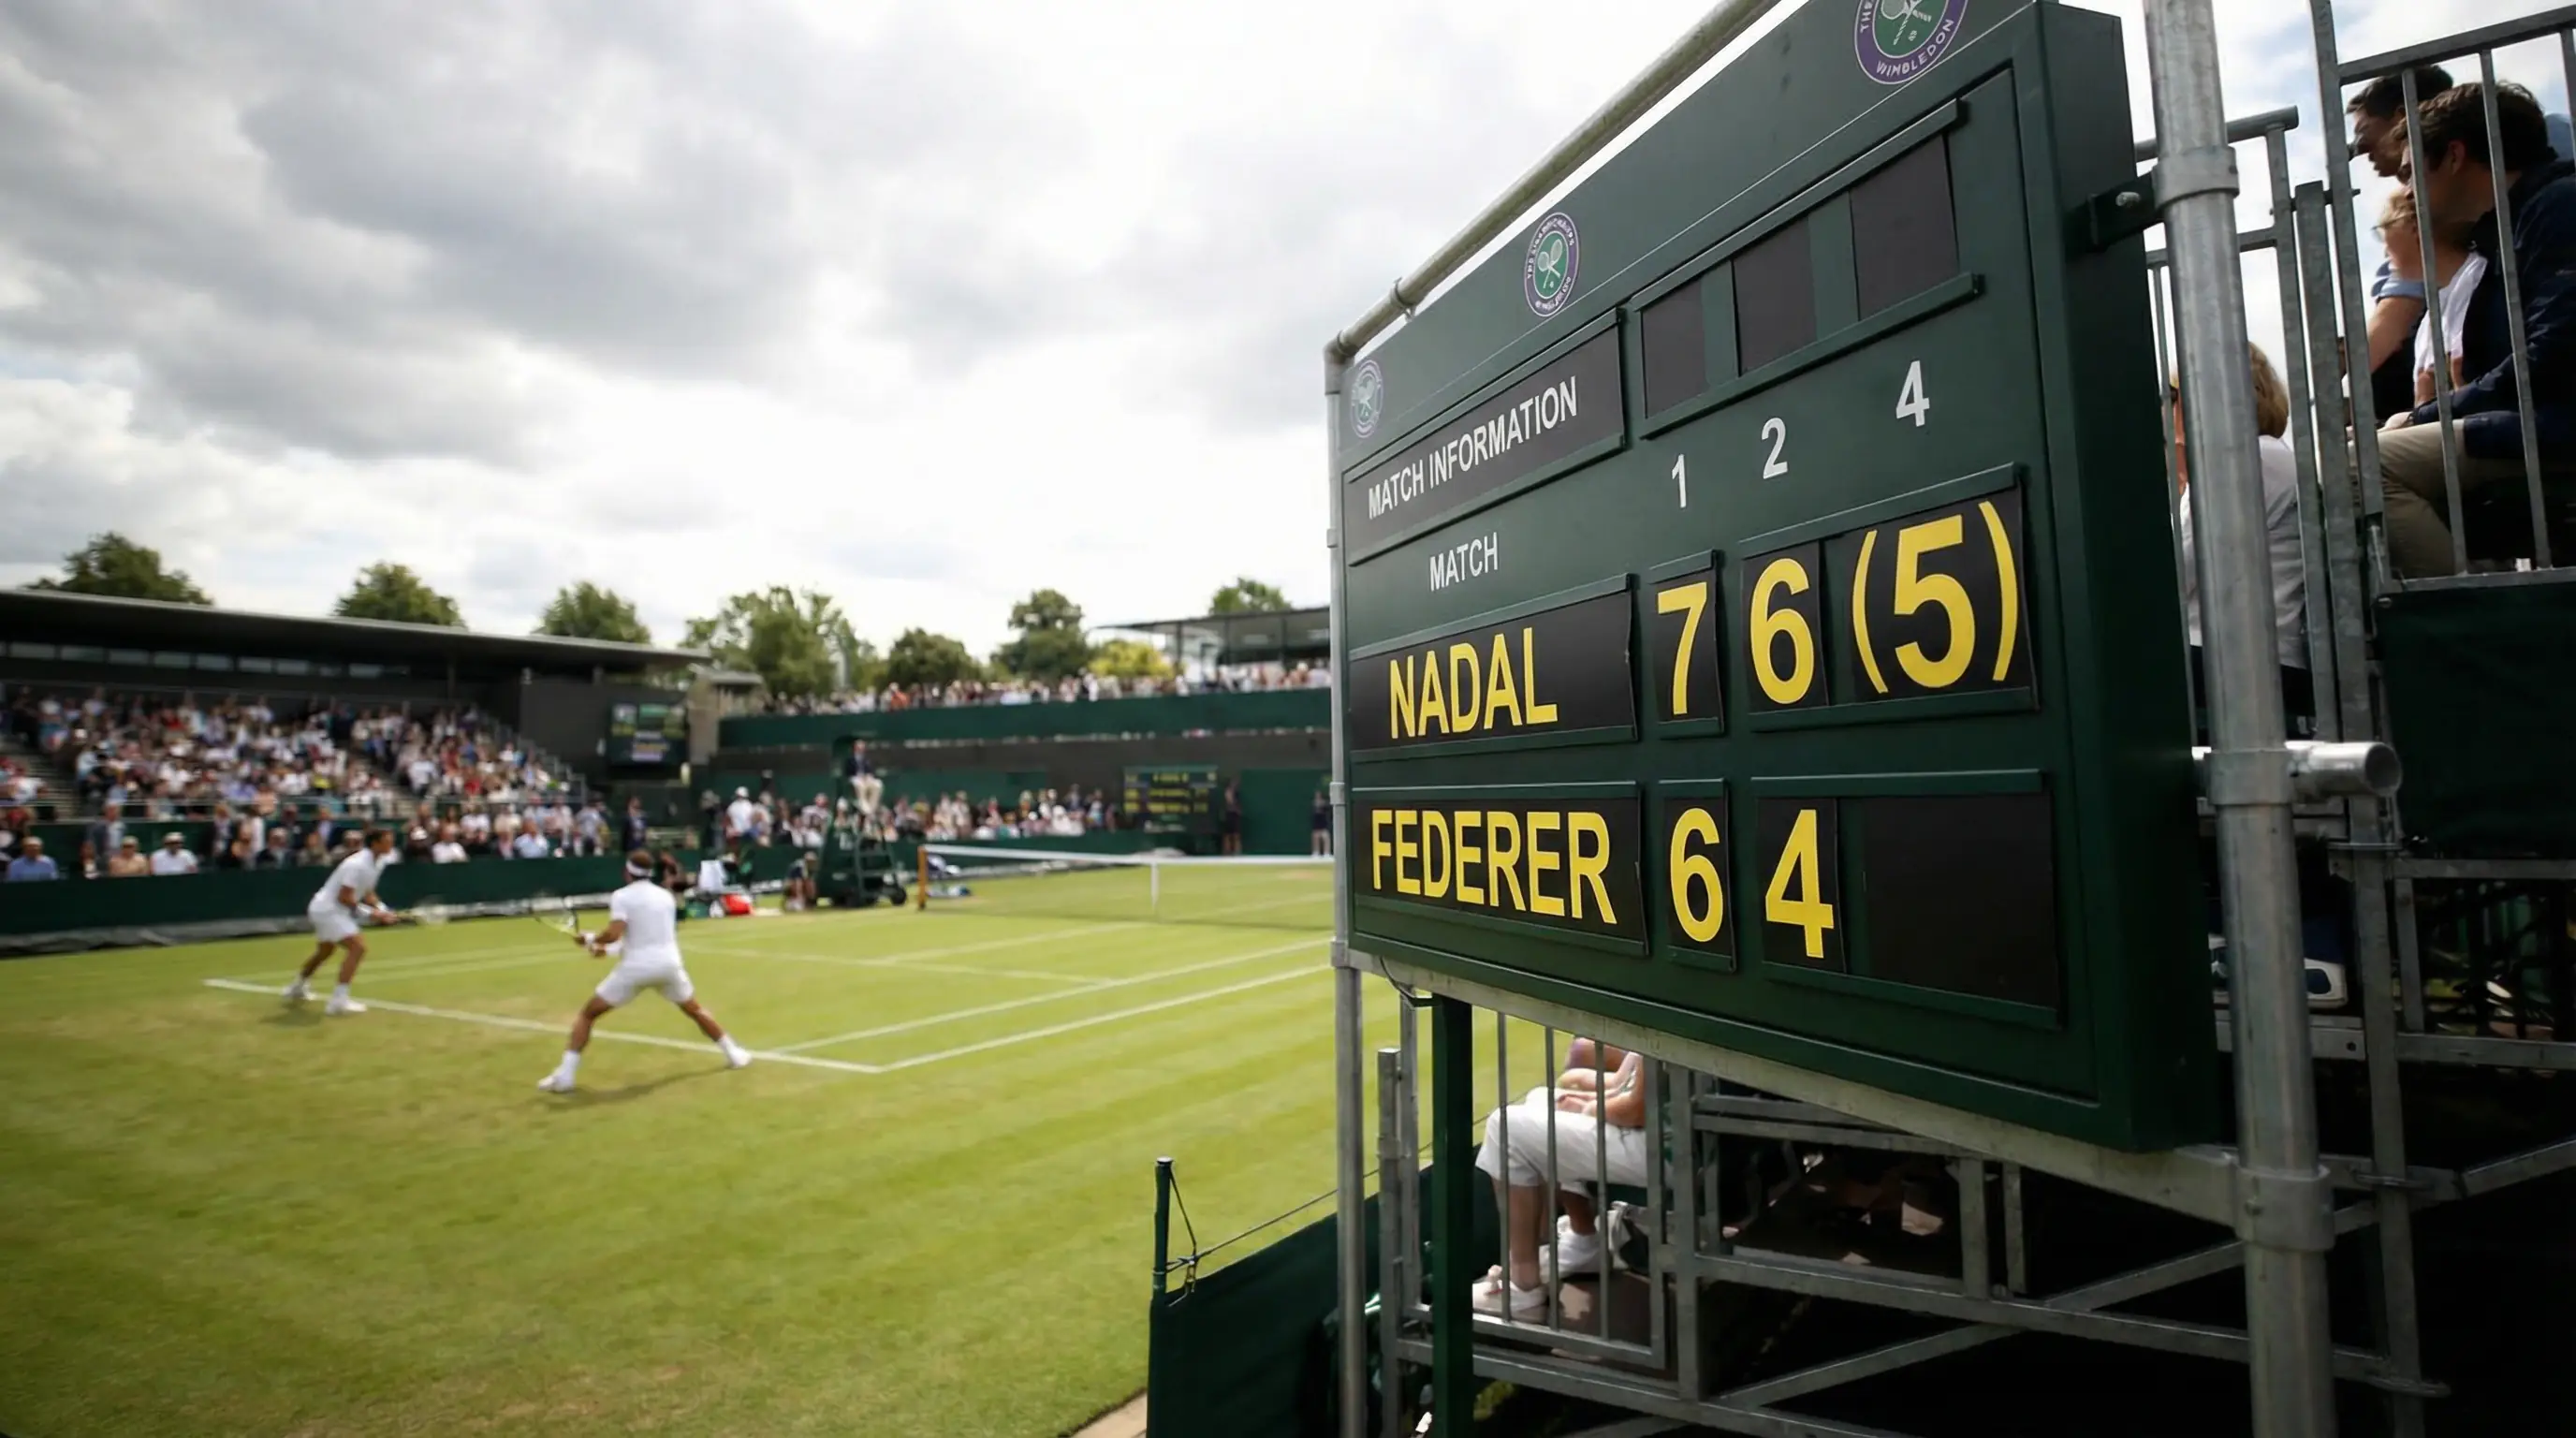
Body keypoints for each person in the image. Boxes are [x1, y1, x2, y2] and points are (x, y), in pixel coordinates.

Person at [2378, 82, 2576, 577]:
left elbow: (2553, 355)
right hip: (2537, 421)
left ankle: (2478, 616)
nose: (2406, 192)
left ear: (2453, 156)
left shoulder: (2558, 207)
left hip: (2556, 424)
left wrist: (2428, 414)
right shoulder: (2512, 228)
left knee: (2361, 469)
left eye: (2410, 172)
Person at [2171, 345, 2312, 732]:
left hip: (2230, 659)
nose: (2166, 408)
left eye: (2172, 395)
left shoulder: (2246, 460)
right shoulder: (2266, 456)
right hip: (2244, 657)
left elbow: (2177, 574)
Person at [536, 849, 751, 1093]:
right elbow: (645, 936)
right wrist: (606, 950)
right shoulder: (666, 896)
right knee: (695, 1010)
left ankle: (565, 1076)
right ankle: (733, 1053)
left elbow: (615, 934)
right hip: (669, 965)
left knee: (588, 1014)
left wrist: (591, 939)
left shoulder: (621, 896)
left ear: (627, 872)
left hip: (636, 969)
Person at [1472, 1047, 1649, 1318]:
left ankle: (1523, 1288)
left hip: (1661, 1149)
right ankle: (1582, 1241)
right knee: (1542, 1100)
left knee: (1503, 1127)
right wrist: (1581, 1099)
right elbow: (1628, 1088)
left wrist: (1588, 1109)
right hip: (1664, 1139)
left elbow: (1637, 1110)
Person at [283, 829, 398, 1017]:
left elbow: (367, 892)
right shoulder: (357, 864)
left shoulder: (378, 863)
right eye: (387, 841)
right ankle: (338, 1001)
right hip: (327, 910)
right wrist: (371, 914)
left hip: (328, 910)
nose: (391, 844)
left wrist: (382, 909)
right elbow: (344, 897)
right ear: (375, 843)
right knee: (358, 948)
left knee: (325, 951)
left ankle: (297, 987)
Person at [1310, 788, 1332, 857]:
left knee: (1326, 837)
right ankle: (1316, 852)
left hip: (1324, 825)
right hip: (1316, 825)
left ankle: (1327, 852)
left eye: (1319, 795)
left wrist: (1322, 805)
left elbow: (1327, 810)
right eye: (1316, 795)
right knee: (1315, 837)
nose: (1317, 796)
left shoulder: (1325, 804)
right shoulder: (1314, 803)